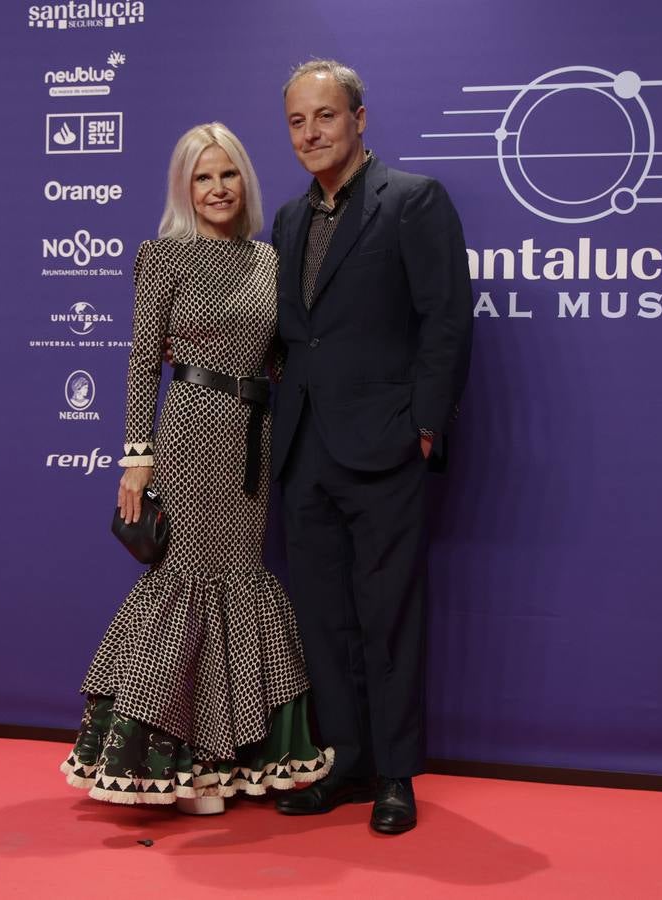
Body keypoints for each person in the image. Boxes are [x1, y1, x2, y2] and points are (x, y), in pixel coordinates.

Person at [60, 123, 332, 815]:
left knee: (239, 577)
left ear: (245, 181)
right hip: (187, 431)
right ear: (185, 188)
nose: (216, 189)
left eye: (228, 175)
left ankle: (222, 762)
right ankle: (177, 764)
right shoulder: (164, 257)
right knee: (185, 580)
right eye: (202, 177)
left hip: (252, 437)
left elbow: (280, 359)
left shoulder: (268, 261)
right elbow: (140, 360)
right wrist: (135, 457)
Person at [269, 60, 474, 834]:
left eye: (324, 116)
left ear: (359, 118)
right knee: (322, 620)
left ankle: (394, 775)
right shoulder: (288, 222)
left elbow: (445, 321)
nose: (310, 133)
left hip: (385, 446)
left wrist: (422, 424)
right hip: (303, 450)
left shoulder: (413, 201)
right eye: (296, 121)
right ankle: (345, 763)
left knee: (387, 615)